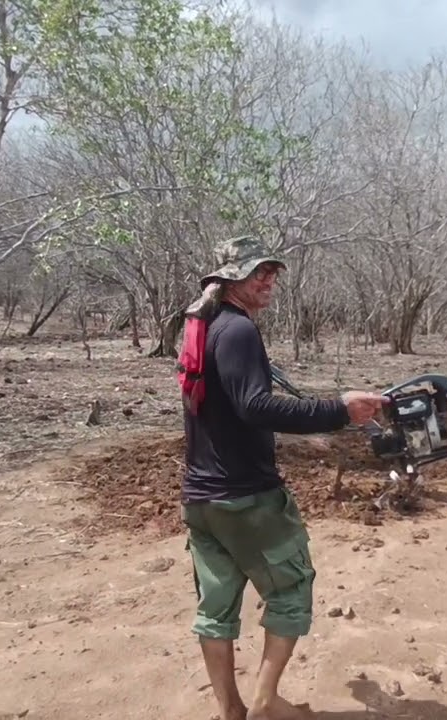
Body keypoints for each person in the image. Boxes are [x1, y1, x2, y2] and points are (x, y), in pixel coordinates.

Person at [181, 235, 385, 720]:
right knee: (291, 590)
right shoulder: (238, 332)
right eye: (259, 273)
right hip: (246, 498)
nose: (269, 280)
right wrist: (339, 410)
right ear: (232, 278)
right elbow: (255, 407)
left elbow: (231, 406)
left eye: (272, 271)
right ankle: (267, 704)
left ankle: (231, 709)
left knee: (216, 608)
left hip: (202, 499)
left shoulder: (202, 328)